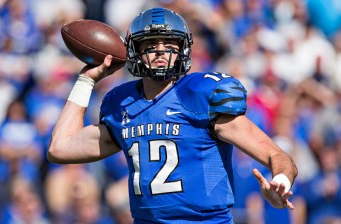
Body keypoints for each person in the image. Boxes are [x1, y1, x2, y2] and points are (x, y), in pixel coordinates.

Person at [48, 7, 298, 223]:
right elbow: (60, 148)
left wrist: (281, 182)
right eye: (151, 44)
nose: (160, 51)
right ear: (135, 51)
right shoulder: (123, 105)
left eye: (169, 44)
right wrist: (86, 80)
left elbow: (277, 155)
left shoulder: (201, 95)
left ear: (183, 49)